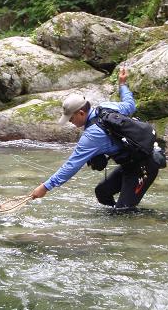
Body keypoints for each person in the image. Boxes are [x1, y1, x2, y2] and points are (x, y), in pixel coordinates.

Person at [31, 68, 160, 212]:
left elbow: (72, 165)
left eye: (71, 118)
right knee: (102, 193)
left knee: (123, 211)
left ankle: (155, 218)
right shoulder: (106, 107)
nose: (70, 122)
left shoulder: (91, 136)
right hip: (131, 164)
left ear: (81, 113)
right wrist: (122, 85)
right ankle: (117, 216)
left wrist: (46, 187)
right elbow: (130, 105)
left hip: (144, 168)